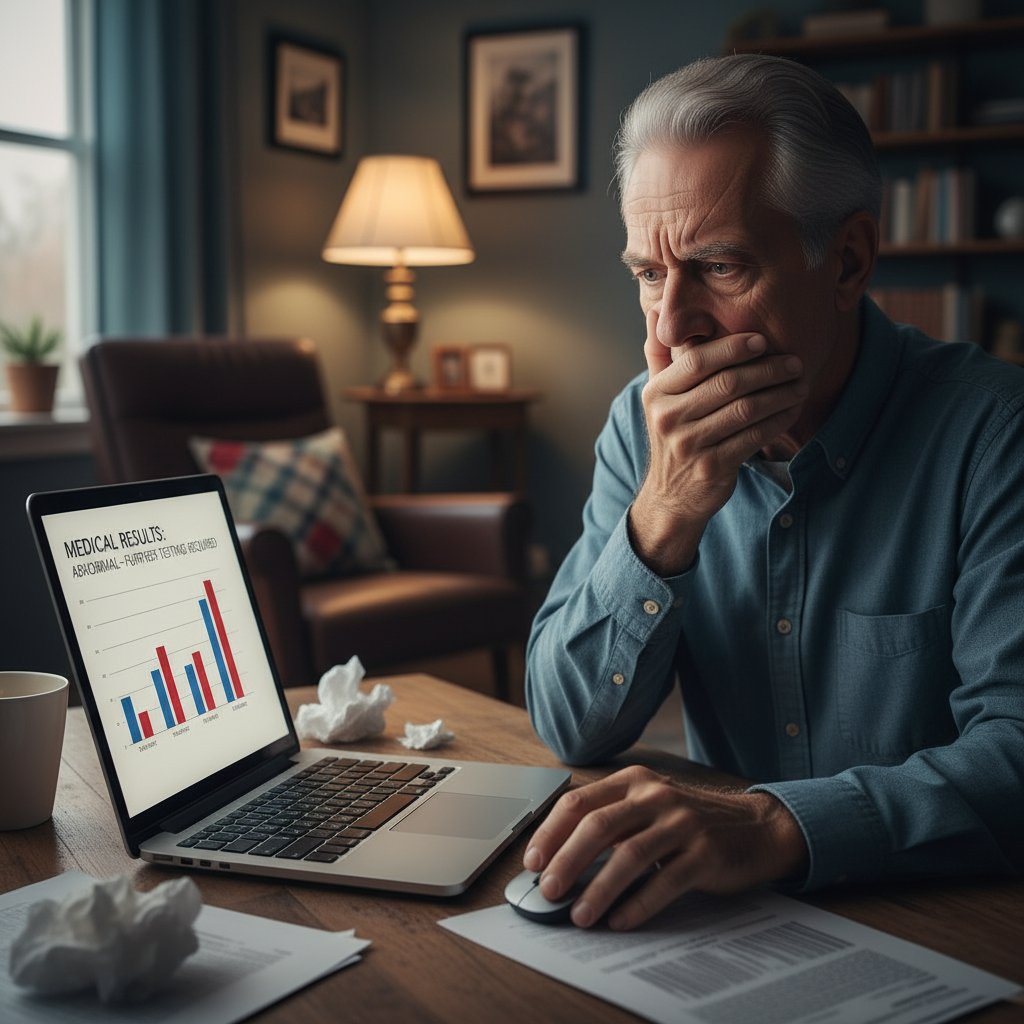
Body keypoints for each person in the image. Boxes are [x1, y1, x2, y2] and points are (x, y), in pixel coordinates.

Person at [523, 53, 1024, 932]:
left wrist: (774, 826)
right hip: (723, 923)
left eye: (719, 267)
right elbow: (569, 725)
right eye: (648, 274)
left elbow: (1015, 750)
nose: (672, 330)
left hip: (952, 916)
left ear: (848, 261)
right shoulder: (641, 429)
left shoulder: (995, 434)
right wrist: (665, 512)